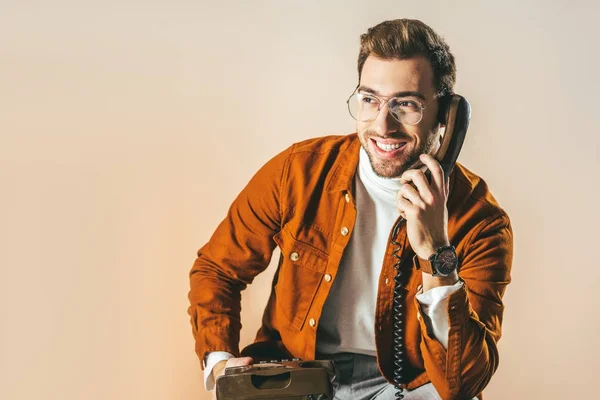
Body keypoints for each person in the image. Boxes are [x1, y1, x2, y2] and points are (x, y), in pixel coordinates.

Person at [188, 19, 513, 400]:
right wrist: (220, 360)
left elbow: (462, 384)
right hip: (301, 374)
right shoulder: (299, 171)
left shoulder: (482, 221)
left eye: (406, 105)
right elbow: (217, 268)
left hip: (407, 386)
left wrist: (436, 252)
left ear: (445, 116)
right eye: (370, 99)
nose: (383, 124)